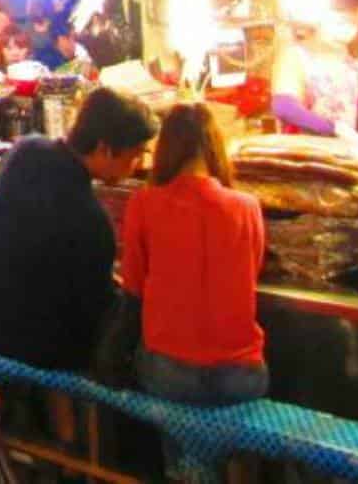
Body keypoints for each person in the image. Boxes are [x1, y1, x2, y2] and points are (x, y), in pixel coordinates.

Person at [123, 104, 266, 481]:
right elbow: (252, 271)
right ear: (214, 147)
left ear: (165, 149)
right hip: (242, 377)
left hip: (170, 373)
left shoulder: (143, 203)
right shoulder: (248, 207)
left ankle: (184, 471)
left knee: (184, 457)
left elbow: (133, 287)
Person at [0, 87, 158, 371]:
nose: (138, 166)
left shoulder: (24, 149)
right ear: (104, 149)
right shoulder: (91, 220)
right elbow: (93, 314)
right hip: (34, 347)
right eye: (135, 155)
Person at [272, 9, 358, 142]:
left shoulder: (351, 63)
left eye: (353, 22)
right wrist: (333, 128)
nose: (347, 30)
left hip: (342, 150)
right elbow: (284, 107)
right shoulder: (295, 57)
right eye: (340, 21)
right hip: (304, 151)